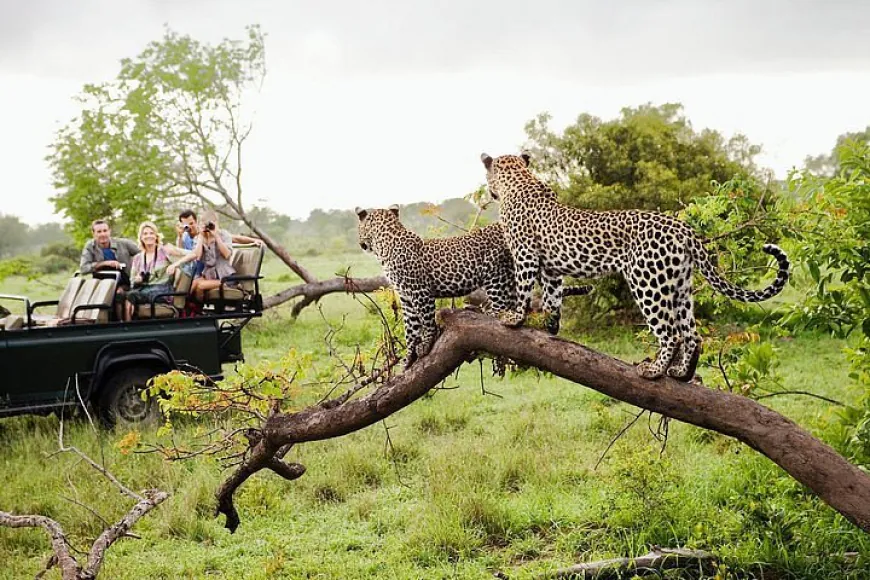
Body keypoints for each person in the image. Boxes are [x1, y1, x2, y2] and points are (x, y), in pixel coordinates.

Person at [124, 222, 191, 321]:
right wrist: (138, 280)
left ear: (156, 236)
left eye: (151, 233)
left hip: (162, 291)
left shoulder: (165, 251)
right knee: (124, 296)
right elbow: (132, 281)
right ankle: (129, 326)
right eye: (145, 234)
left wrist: (174, 263)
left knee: (132, 296)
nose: (148, 236)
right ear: (141, 237)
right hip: (143, 289)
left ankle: (129, 329)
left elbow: (191, 255)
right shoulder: (137, 258)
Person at [79, 219, 140, 286]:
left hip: (124, 280)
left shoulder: (123, 243)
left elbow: (143, 254)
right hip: (102, 283)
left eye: (105, 231)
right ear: (93, 233)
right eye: (99, 232)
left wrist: (137, 269)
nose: (103, 234)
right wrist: (105, 263)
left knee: (119, 292)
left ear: (109, 231)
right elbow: (83, 268)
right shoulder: (90, 246)